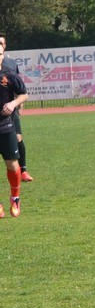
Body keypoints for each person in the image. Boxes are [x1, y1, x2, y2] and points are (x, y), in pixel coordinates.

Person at [0, 43, 27, 218]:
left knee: (12, 165)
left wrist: (13, 103)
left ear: (3, 56)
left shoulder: (8, 75)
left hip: (5, 127)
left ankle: (15, 198)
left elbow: (24, 94)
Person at [0, 35, 32, 182]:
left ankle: (23, 170)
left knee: (18, 137)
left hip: (10, 110)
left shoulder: (11, 64)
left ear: (4, 46)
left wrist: (17, 103)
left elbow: (18, 86)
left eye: (1, 42)